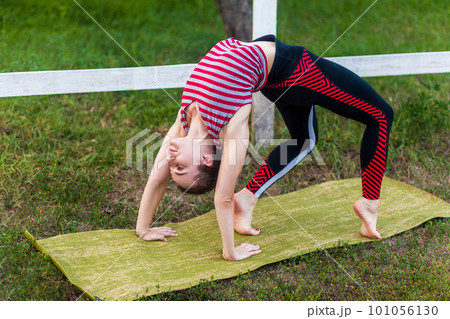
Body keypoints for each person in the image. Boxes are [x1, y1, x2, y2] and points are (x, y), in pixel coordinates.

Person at [135, 34, 394, 261]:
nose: (170, 159)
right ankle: (369, 203)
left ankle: (247, 199)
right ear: (205, 158)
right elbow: (222, 198)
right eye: (179, 166)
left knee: (304, 140)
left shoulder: (184, 121)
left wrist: (143, 229)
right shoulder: (233, 125)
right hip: (296, 69)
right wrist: (230, 252)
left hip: (271, 75)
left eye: (173, 167)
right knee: (381, 115)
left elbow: (158, 178)